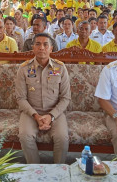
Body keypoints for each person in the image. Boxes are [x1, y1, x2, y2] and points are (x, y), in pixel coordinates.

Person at [16, 33, 71, 164]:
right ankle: (36, 170)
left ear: (51, 48)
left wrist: (51, 116)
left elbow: (65, 97)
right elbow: (21, 98)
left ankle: (58, 171)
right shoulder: (23, 69)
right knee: (25, 136)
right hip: (31, 112)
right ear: (33, 48)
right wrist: (36, 116)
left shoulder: (60, 67)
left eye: (45, 44)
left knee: (62, 137)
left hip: (55, 112)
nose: (42, 48)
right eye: (38, 44)